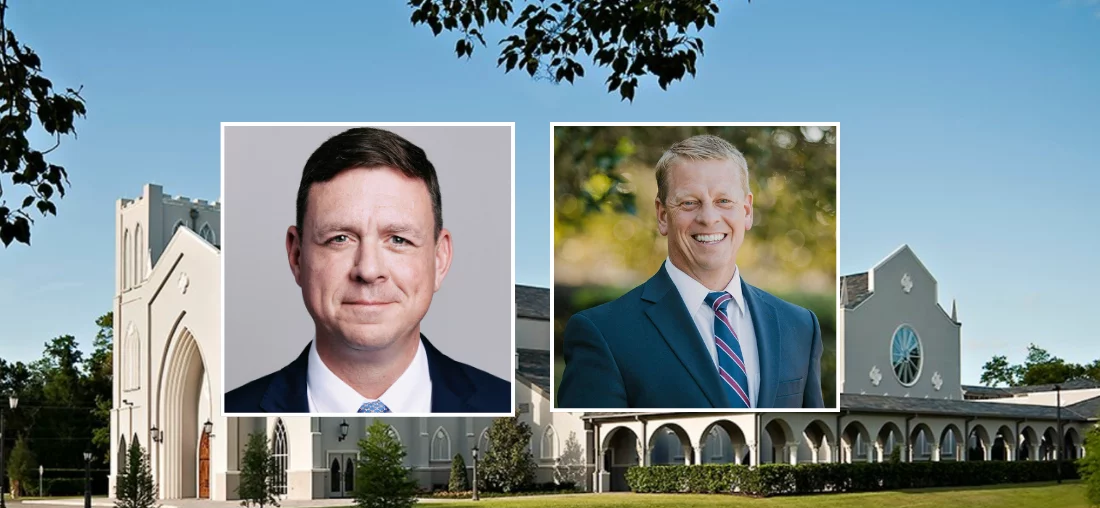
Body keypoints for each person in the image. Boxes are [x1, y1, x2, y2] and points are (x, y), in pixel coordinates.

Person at [226, 127, 510, 414]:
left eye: (398, 239)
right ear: (297, 256)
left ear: (439, 259)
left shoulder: (503, 403)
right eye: (340, 238)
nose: (369, 270)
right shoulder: (233, 408)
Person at [557, 135, 824, 409]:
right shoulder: (604, 333)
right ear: (662, 215)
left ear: (746, 211)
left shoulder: (800, 327)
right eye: (689, 203)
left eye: (723, 201)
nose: (708, 218)